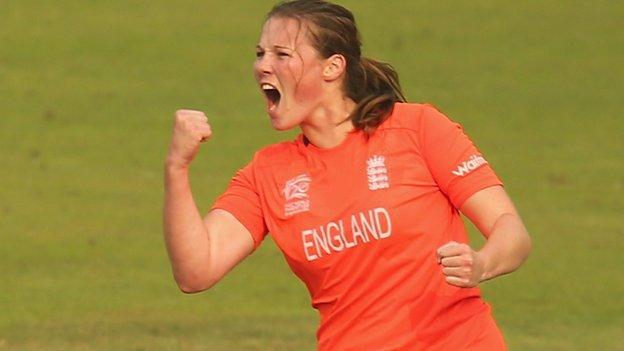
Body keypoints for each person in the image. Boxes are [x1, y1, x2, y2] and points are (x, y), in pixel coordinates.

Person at [163, 0, 532, 349]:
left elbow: (510, 231)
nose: (262, 65)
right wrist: (177, 168)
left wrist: (481, 264)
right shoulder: (268, 173)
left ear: (333, 67)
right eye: (260, 53)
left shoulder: (418, 128)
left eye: (282, 54)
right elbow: (197, 270)